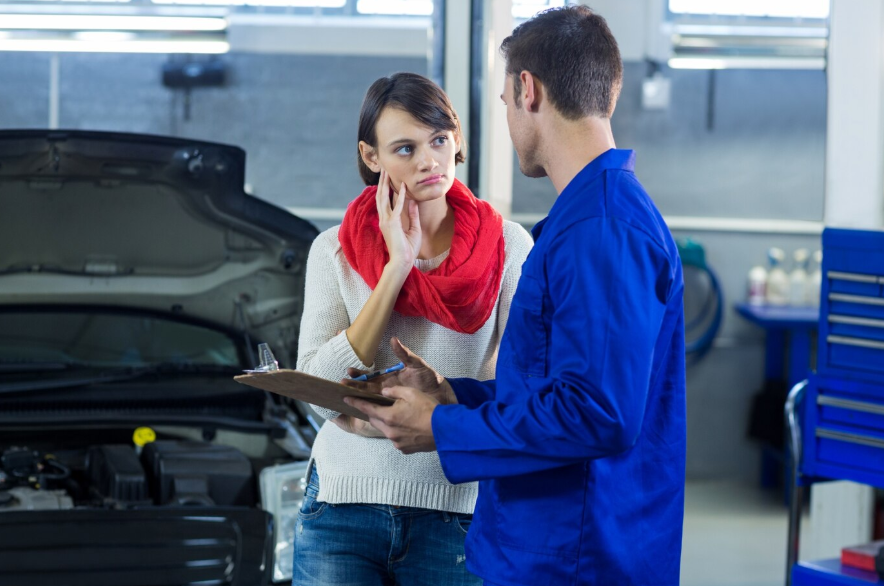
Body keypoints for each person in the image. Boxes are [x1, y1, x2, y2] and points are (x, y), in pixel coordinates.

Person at [344, 7, 687, 586]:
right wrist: (453, 396)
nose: (506, 116)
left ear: (527, 90)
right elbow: (554, 388)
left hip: (574, 557)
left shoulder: (600, 229)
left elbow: (596, 413)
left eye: (503, 102)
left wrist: (442, 429)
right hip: (550, 546)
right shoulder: (584, 219)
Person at [293, 72, 534, 586]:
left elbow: (523, 392)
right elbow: (317, 391)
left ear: (457, 141)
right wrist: (395, 267)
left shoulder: (508, 248)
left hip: (454, 513)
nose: (429, 161)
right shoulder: (333, 250)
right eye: (405, 148)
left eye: (440, 140)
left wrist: (445, 402)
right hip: (342, 505)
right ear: (371, 156)